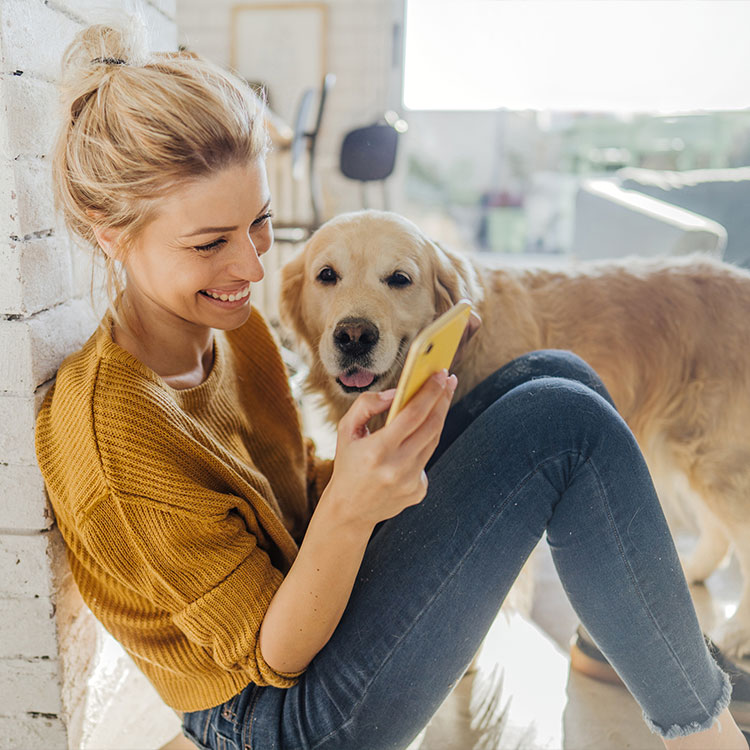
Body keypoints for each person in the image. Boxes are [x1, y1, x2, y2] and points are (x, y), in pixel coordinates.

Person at [36, 18, 748, 750]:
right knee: (559, 426)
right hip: (273, 718)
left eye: (259, 224)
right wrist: (352, 504)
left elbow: (286, 496)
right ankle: (712, 739)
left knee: (552, 379)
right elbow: (270, 657)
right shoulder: (115, 432)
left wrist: (367, 466)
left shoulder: (230, 326)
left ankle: (644, 655)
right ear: (109, 232)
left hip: (314, 626)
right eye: (209, 243)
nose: (252, 267)